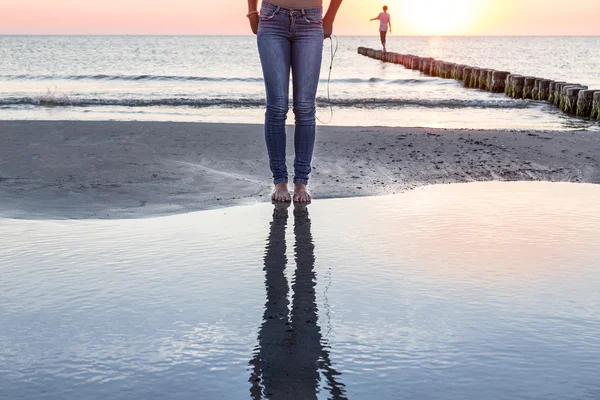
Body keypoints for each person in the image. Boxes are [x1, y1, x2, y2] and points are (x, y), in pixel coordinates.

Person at [247, 0, 343, 203]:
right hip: (272, 19)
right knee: (277, 106)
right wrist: (252, 11)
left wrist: (330, 17)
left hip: (311, 21)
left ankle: (301, 183)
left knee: (305, 107)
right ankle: (280, 181)